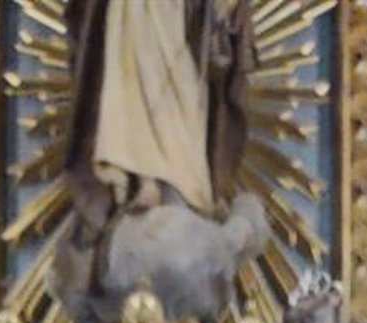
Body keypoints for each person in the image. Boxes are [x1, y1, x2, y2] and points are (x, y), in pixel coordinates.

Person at [63, 0, 255, 232]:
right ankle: (145, 180)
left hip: (181, 15)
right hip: (132, 12)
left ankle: (191, 186)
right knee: (131, 80)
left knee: (183, 90)